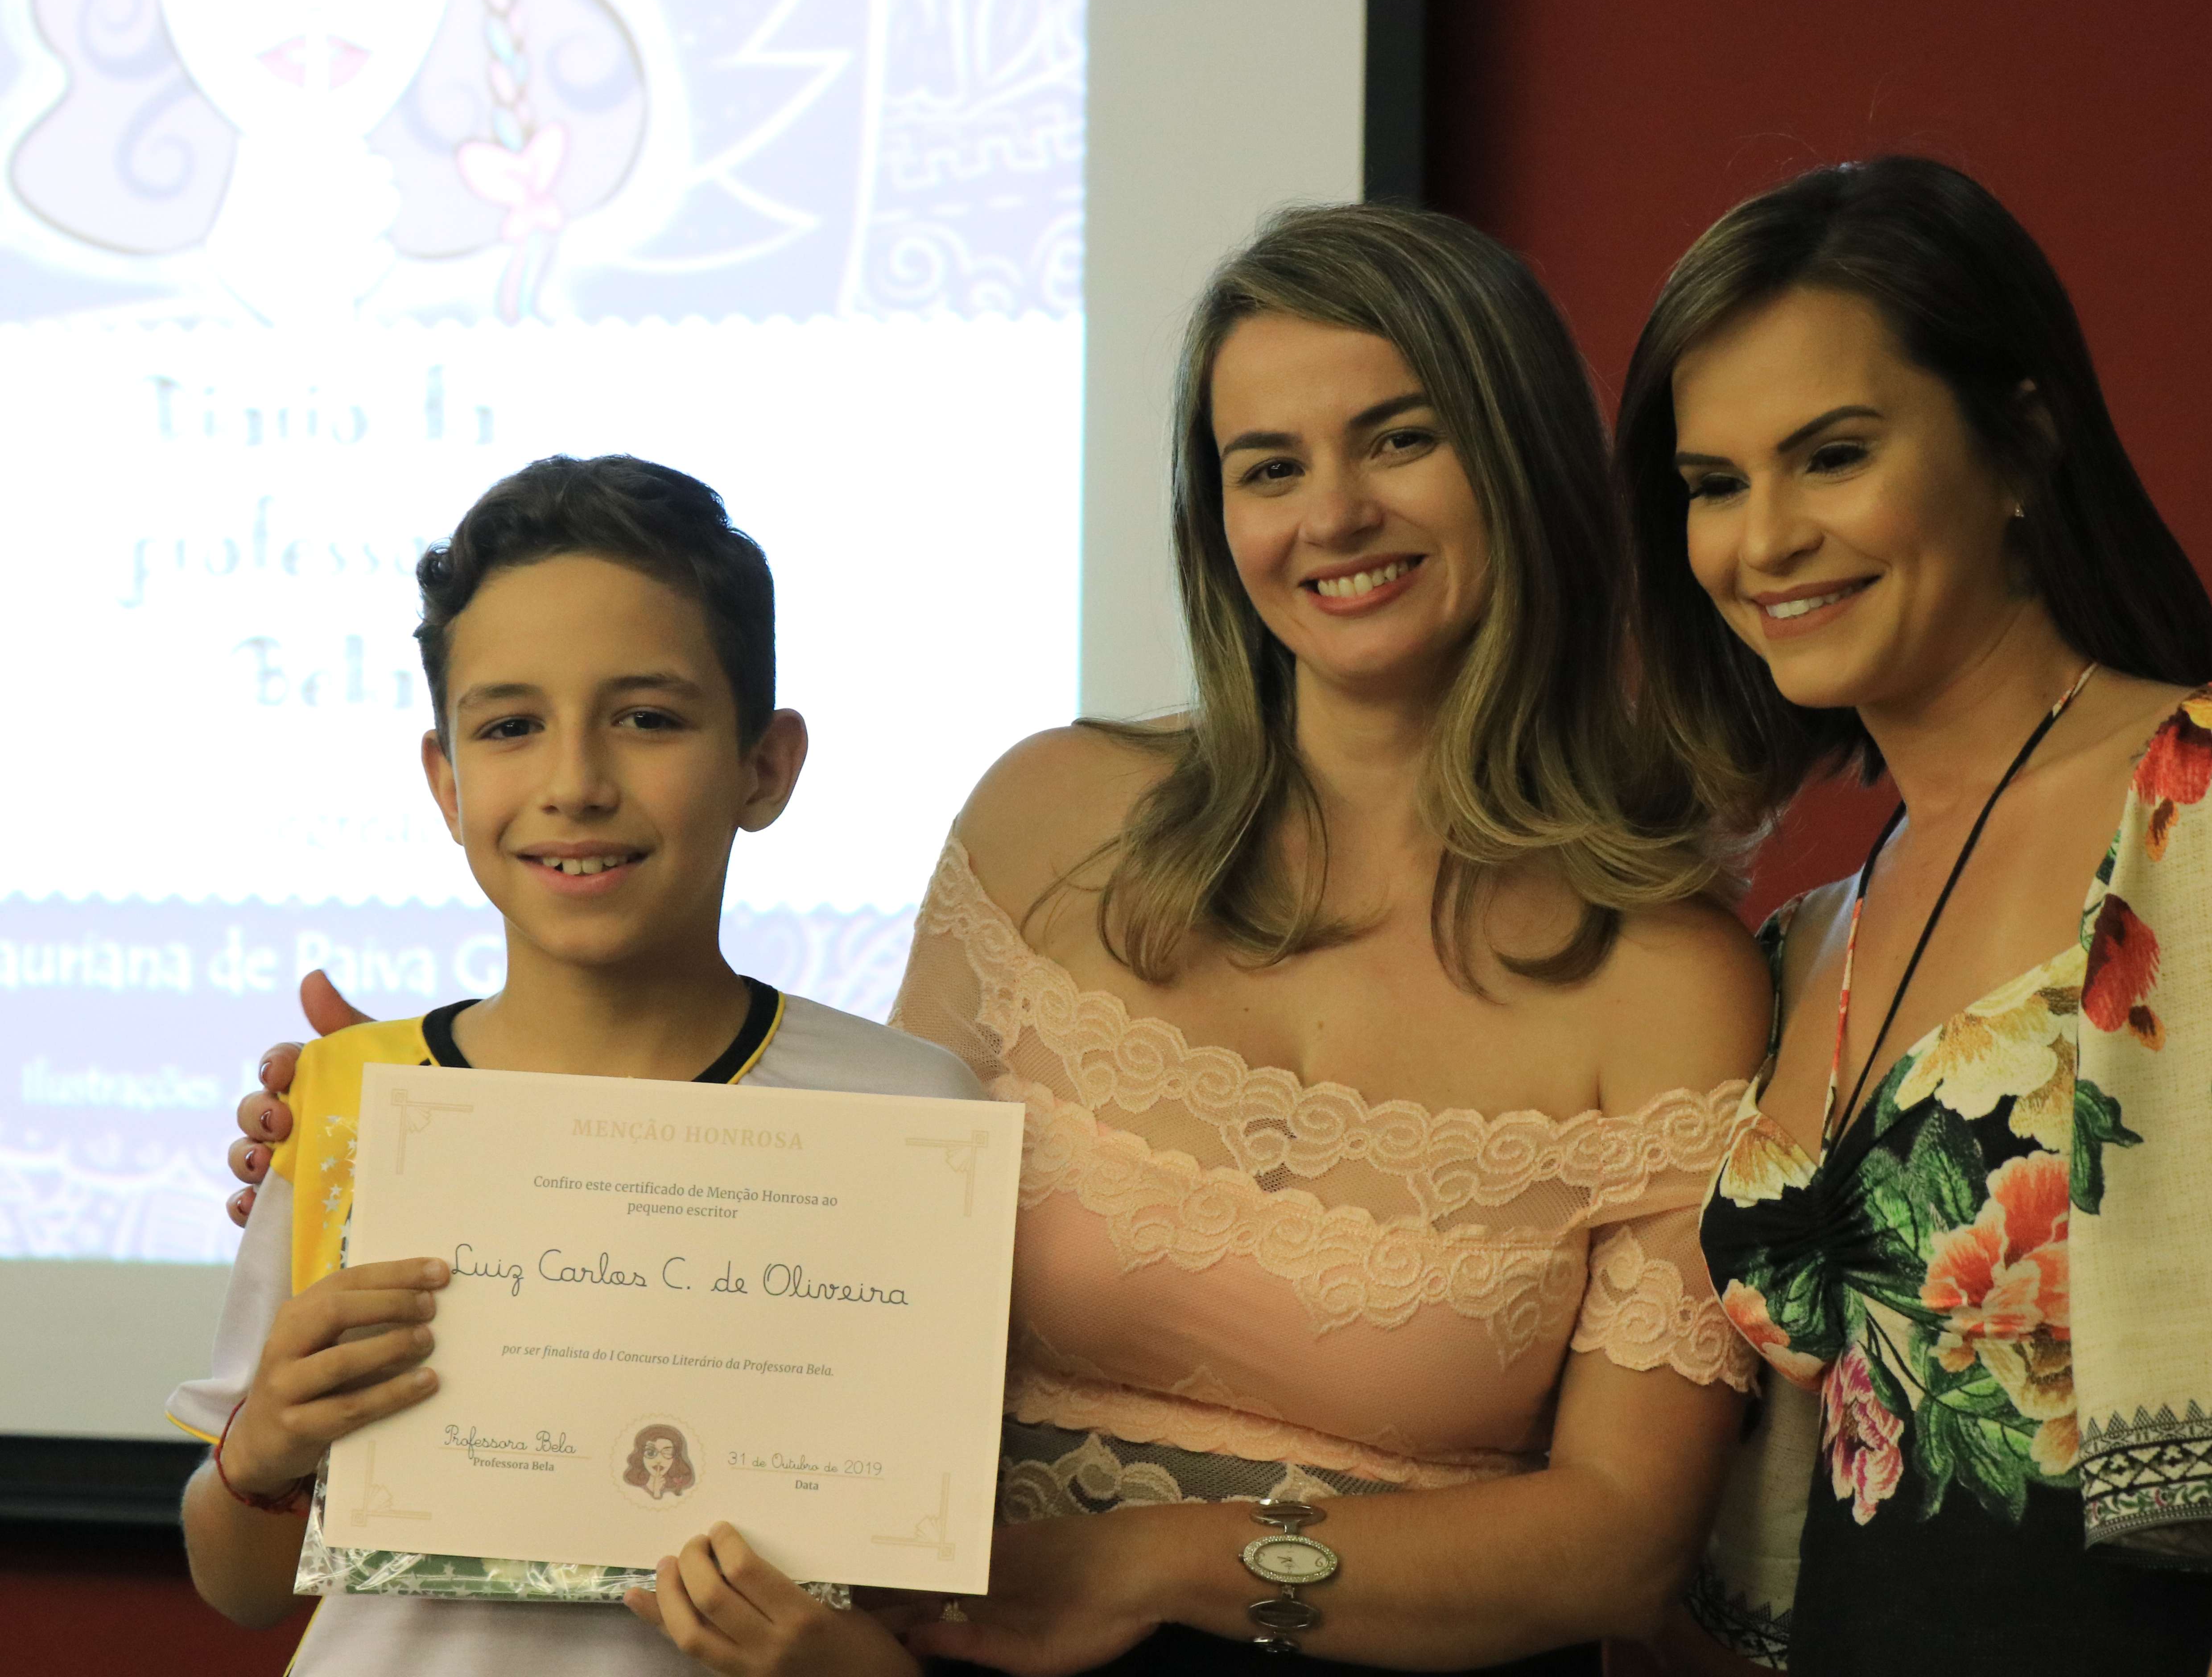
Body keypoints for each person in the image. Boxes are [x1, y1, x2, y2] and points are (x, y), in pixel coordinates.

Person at [226, 204, 1775, 1673]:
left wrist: (1152, 1562)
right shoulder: (1053, 820)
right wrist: (481, 1132)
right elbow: (822, 1221)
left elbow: (1623, 1548)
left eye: (1400, 439)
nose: (1332, 514)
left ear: (1522, 461)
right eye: (1268, 465)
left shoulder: (1671, 983)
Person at [1616, 156, 2212, 1673]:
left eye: (1833, 457)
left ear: (2021, 441)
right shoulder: (1803, 944)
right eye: (1713, 485)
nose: (1764, 542)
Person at [173, 455, 976, 1677]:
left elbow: (933, 1587)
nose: (576, 785)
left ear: (764, 766)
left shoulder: (912, 1123)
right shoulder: (349, 1107)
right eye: (510, 727)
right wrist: (263, 1449)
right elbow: (236, 1589)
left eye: (648, 718)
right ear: (447, 783)